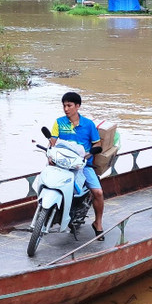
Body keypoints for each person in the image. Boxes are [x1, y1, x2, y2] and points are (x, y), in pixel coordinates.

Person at [49, 91, 105, 240]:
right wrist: (50, 154)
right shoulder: (59, 122)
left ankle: (98, 223)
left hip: (83, 165)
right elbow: (53, 141)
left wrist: (89, 154)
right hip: (63, 164)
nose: (66, 109)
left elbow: (97, 143)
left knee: (98, 193)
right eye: (64, 106)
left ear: (77, 106)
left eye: (69, 105)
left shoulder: (88, 124)